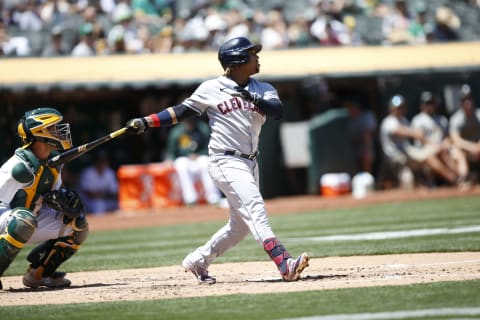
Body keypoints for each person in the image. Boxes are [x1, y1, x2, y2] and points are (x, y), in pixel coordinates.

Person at [125, 37, 309, 284]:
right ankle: (284, 262)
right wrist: (147, 121)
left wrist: (251, 98)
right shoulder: (211, 88)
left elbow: (277, 111)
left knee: (240, 227)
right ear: (237, 60)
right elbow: (180, 112)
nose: (257, 58)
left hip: (250, 162)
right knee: (255, 206)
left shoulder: (263, 88)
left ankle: (199, 259)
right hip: (224, 159)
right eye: (252, 54)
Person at [0, 107, 89, 290]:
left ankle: (39, 275)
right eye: (54, 128)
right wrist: (17, 221)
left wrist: (62, 202)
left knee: (78, 225)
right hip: (11, 220)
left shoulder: (55, 163)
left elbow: (51, 197)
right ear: (40, 132)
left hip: (28, 219)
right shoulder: (19, 168)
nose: (60, 131)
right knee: (23, 220)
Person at [379, 94, 458, 189]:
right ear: (392, 108)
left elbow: (416, 136)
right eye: (397, 107)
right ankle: (453, 179)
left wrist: (425, 140)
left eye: (401, 107)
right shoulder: (389, 121)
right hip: (395, 158)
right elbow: (399, 131)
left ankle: (457, 178)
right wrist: (415, 133)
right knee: (408, 184)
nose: (400, 109)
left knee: (438, 152)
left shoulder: (404, 120)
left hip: (408, 154)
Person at [411, 91, 469, 187]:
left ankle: (462, 177)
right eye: (427, 103)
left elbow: (447, 137)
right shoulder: (419, 119)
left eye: (431, 103)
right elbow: (421, 138)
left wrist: (445, 143)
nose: (429, 106)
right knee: (432, 157)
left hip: (442, 148)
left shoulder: (442, 119)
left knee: (456, 153)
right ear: (422, 105)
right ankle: (454, 179)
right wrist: (436, 146)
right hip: (425, 149)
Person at [165, 117, 223, 206]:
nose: (189, 123)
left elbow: (210, 148)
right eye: (187, 121)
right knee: (181, 164)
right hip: (184, 159)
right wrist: (172, 159)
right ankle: (190, 199)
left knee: (205, 162)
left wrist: (199, 154)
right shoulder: (177, 132)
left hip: (200, 158)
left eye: (191, 120)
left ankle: (213, 197)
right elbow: (172, 152)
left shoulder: (202, 128)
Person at [449, 84, 480, 180]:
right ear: (460, 102)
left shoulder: (479, 114)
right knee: (457, 153)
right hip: (464, 149)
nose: (467, 102)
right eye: (464, 100)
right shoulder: (456, 119)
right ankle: (464, 179)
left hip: (478, 147)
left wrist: (478, 146)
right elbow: (455, 140)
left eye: (469, 98)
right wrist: (472, 147)